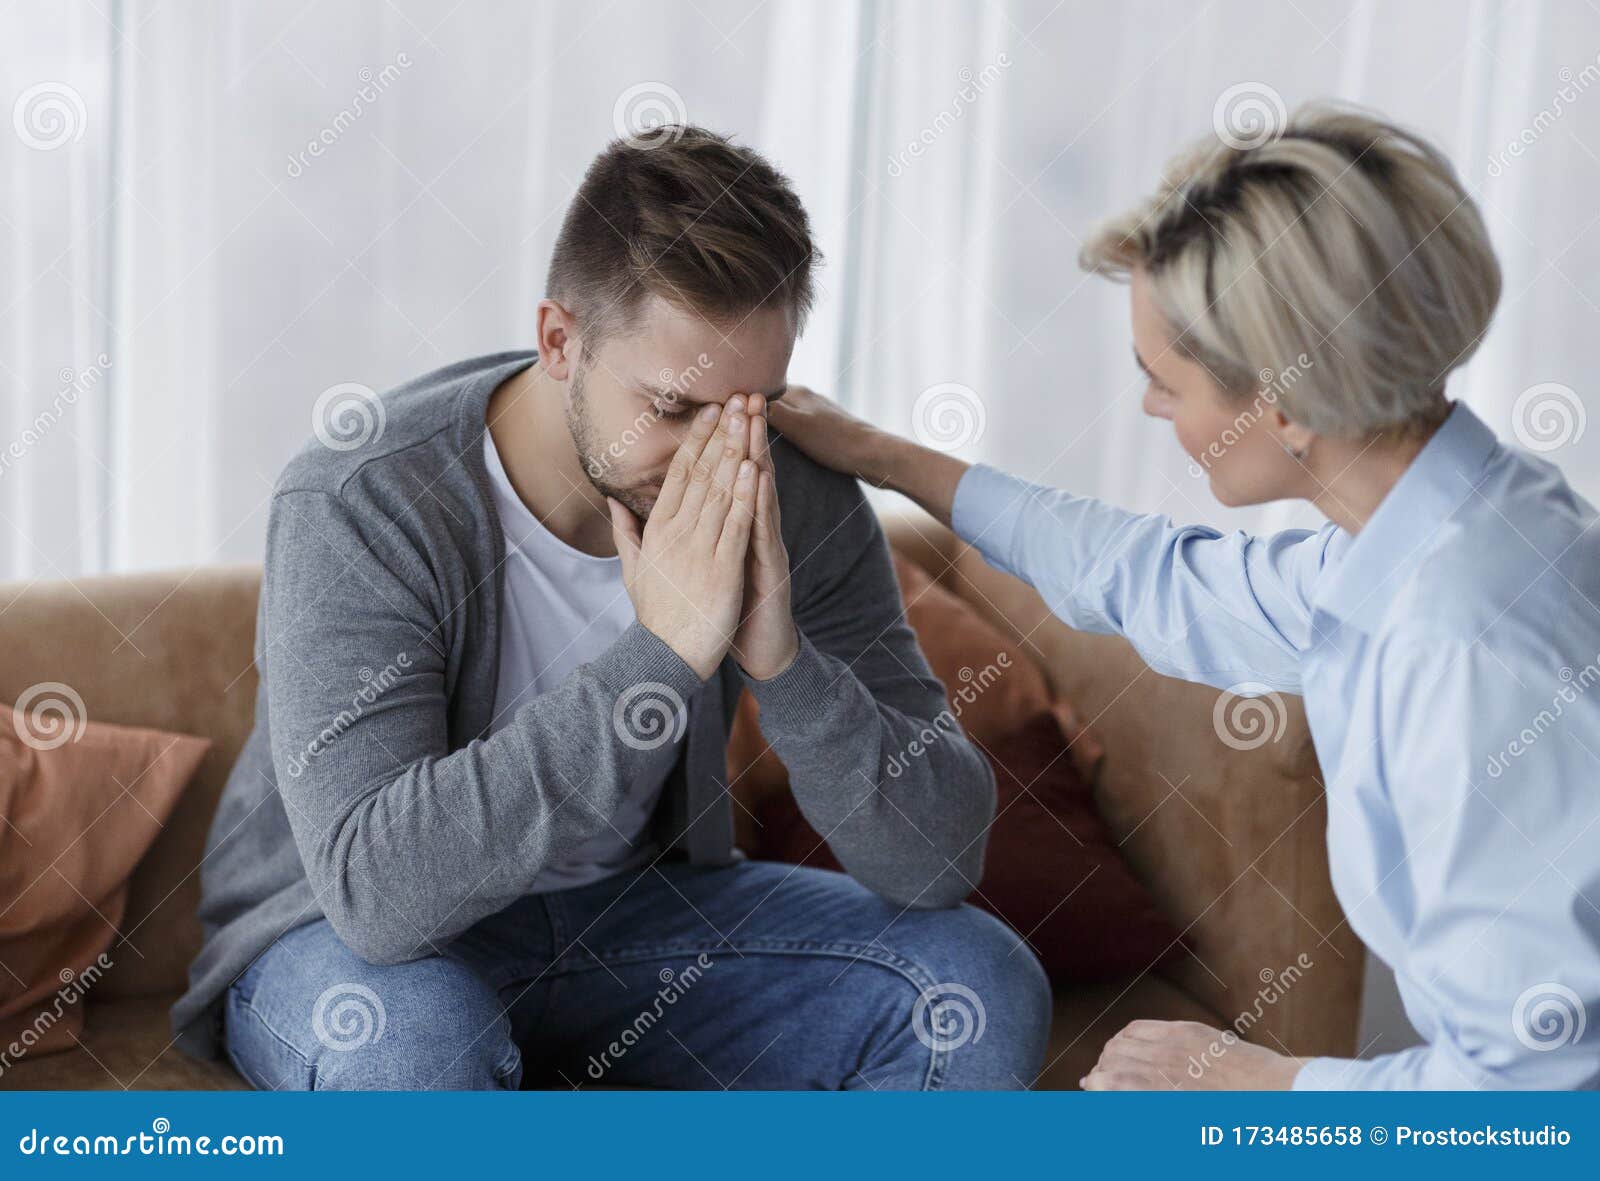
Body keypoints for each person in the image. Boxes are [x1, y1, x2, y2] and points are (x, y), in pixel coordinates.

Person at [171, 126, 1051, 1090]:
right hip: (350, 949)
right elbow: (380, 897)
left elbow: (937, 861)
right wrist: (665, 651)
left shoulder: (792, 495)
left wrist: (786, 666)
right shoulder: (363, 497)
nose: (715, 462)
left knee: (976, 985)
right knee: (415, 1049)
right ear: (561, 340)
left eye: (748, 408)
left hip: (633, 923)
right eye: (672, 409)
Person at [768, 102, 1600, 1090]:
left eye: (1164, 379)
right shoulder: (1461, 519)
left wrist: (1257, 1080)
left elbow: (1533, 1105)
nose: (1152, 406)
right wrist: (882, 455)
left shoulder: (1455, 650)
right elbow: (1158, 578)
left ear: (1284, 404)